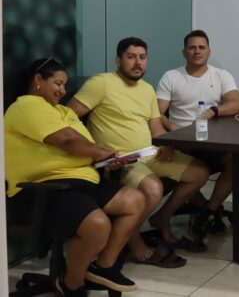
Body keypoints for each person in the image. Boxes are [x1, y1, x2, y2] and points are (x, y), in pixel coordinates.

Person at [5, 58, 145, 296]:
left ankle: (103, 267)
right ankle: (71, 285)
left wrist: (107, 160)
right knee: (98, 225)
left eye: (65, 85)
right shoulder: (26, 106)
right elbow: (68, 141)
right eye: (58, 83)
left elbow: (85, 147)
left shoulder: (63, 112)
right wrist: (100, 152)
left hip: (82, 181)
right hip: (42, 188)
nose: (63, 90)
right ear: (38, 80)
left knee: (135, 200)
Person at [68, 37, 209, 268]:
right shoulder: (101, 83)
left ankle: (161, 217)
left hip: (150, 153)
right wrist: (94, 150)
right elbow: (68, 117)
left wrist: (166, 144)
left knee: (200, 172)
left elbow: (156, 129)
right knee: (153, 188)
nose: (137, 63)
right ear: (118, 60)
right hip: (120, 159)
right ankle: (134, 243)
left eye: (142, 57)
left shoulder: (147, 89)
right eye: (131, 57)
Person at [156, 30, 239, 239]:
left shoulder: (221, 75)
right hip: (182, 142)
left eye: (201, 47)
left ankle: (208, 211)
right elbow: (156, 112)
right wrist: (171, 127)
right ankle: (201, 206)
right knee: (191, 166)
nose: (197, 51)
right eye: (192, 47)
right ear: (184, 52)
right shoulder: (171, 76)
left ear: (209, 52)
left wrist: (214, 111)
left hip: (211, 140)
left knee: (237, 159)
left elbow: (238, 103)